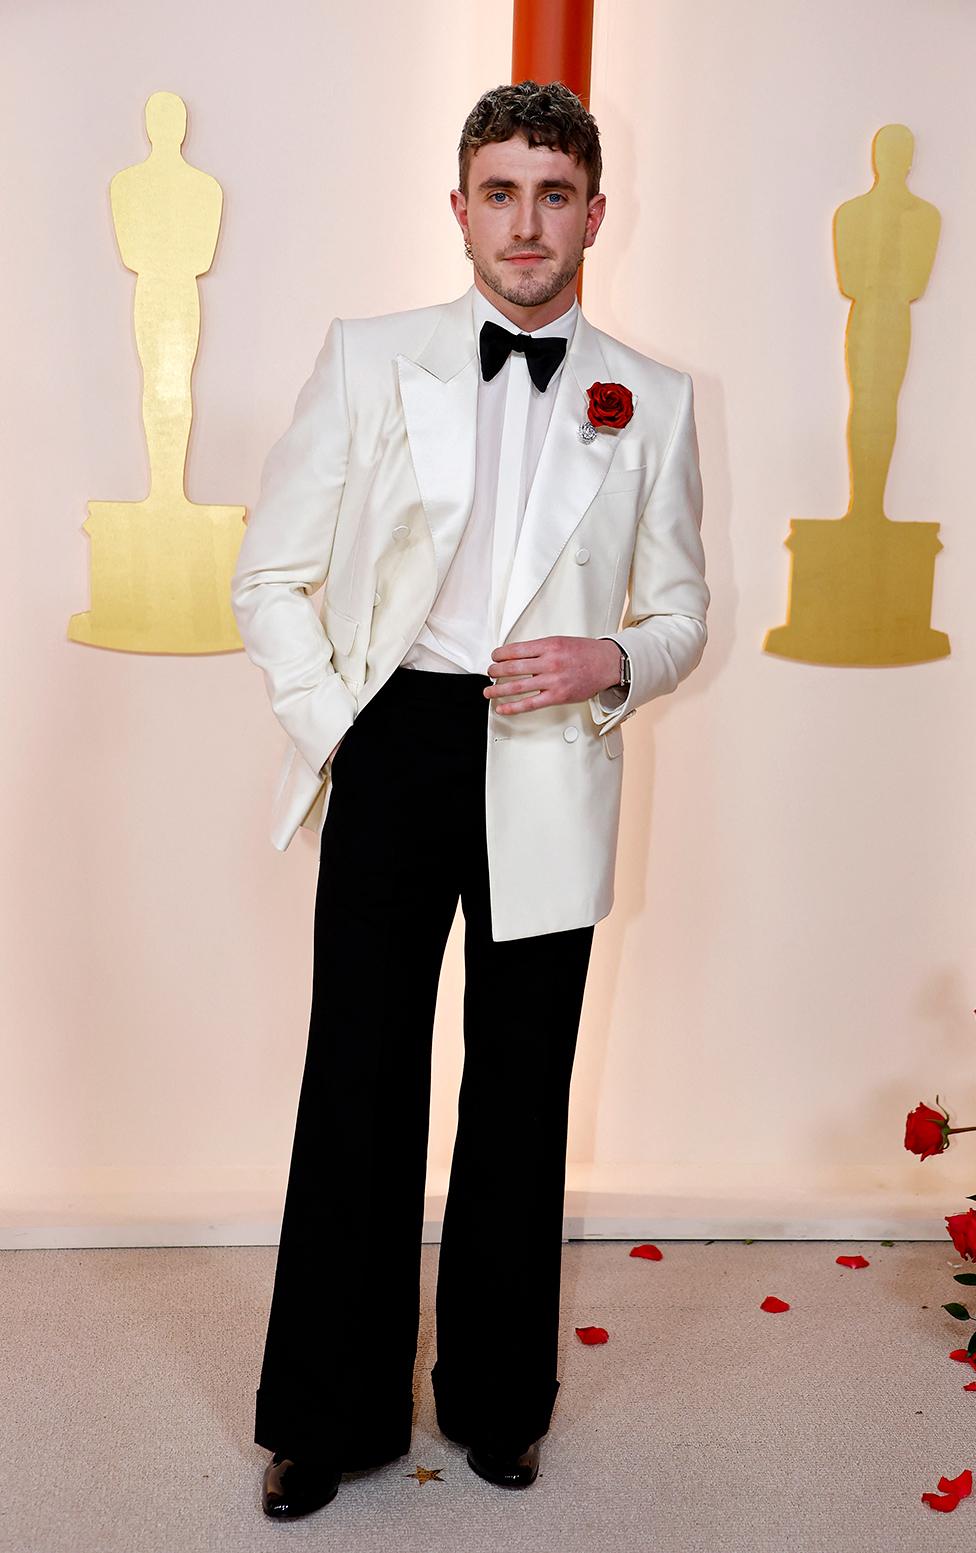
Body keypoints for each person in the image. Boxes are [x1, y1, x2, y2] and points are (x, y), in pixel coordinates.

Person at [230, 79, 709, 1520]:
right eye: (499, 191)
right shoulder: (371, 360)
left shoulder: (659, 398)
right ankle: (329, 1412)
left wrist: (609, 654)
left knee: (520, 1091)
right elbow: (270, 574)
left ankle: (499, 1401)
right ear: (458, 208)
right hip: (398, 745)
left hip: (552, 754)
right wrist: (343, 724)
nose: (525, 221)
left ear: (595, 217)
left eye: (553, 193)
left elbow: (684, 611)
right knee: (359, 1079)